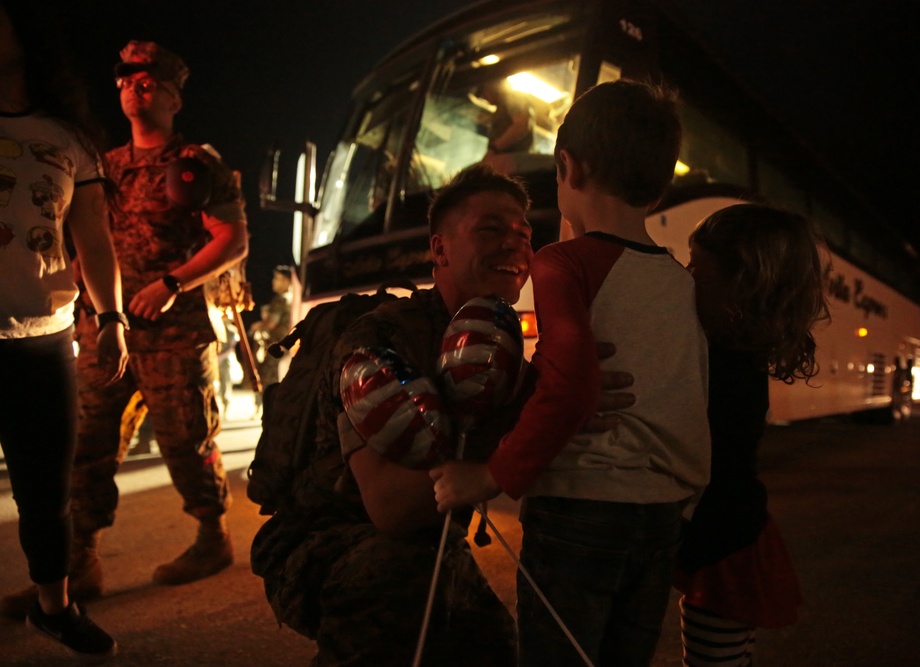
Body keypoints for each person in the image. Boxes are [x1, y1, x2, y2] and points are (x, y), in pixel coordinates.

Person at [250, 163, 634, 666]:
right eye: (491, 230)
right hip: (325, 544)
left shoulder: (490, 340)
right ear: (439, 250)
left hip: (427, 545)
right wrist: (538, 428)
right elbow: (392, 508)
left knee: (498, 652)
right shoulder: (377, 342)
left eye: (524, 234)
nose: (515, 246)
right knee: (398, 588)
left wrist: (562, 402)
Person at [432, 79, 712, 666]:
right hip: (661, 517)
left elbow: (573, 387)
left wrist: (489, 476)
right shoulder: (680, 280)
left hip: (582, 512)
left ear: (567, 166)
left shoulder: (562, 264)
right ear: (658, 188)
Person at [69, 40, 246, 599]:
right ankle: (80, 560)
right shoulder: (104, 166)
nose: (133, 89)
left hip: (175, 331)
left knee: (186, 438)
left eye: (147, 82)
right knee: (87, 442)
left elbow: (232, 239)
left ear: (173, 96)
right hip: (106, 329)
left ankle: (212, 536)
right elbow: (87, 240)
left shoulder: (195, 164)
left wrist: (171, 284)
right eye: (125, 81)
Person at [0, 2, 126, 658]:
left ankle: (55, 606)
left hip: (42, 339)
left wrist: (111, 314)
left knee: (45, 489)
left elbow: (95, 243)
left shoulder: (68, 138)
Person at [673, 204, 831, 666]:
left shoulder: (722, 368)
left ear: (739, 282)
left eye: (697, 265)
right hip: (735, 537)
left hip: (725, 550)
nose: (685, 274)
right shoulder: (739, 356)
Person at [250, 264, 293, 415]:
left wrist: (258, 326)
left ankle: (270, 416)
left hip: (275, 348)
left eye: (278, 279)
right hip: (287, 346)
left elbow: (271, 323)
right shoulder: (292, 299)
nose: (274, 282)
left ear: (288, 281)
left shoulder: (280, 300)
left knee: (269, 384)